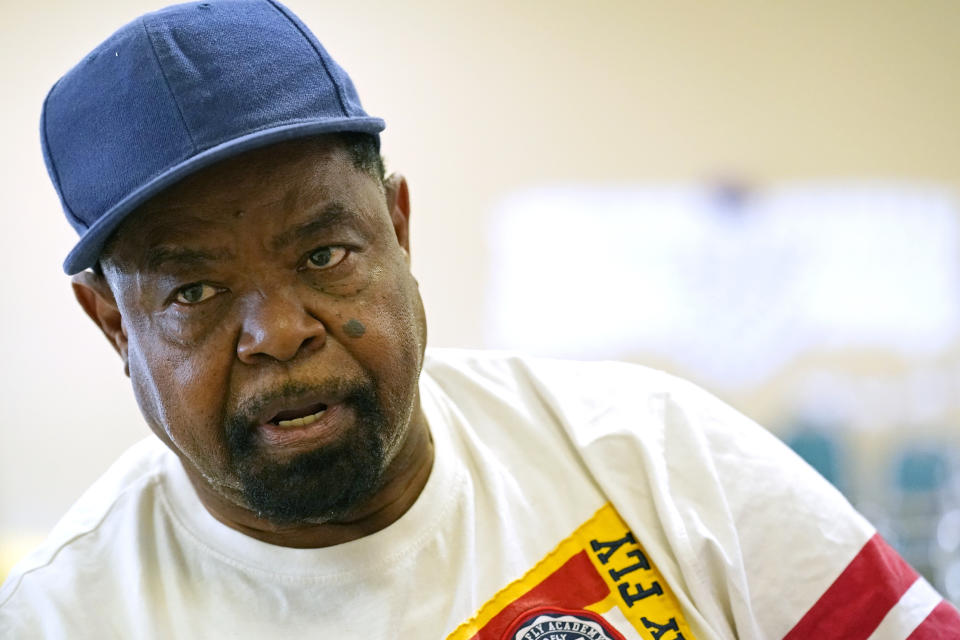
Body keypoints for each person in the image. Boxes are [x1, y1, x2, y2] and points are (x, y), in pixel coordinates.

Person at [1, 1, 958, 638]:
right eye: (195, 293)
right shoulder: (65, 617)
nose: (279, 330)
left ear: (400, 233)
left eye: (324, 255)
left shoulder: (654, 456)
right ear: (113, 326)